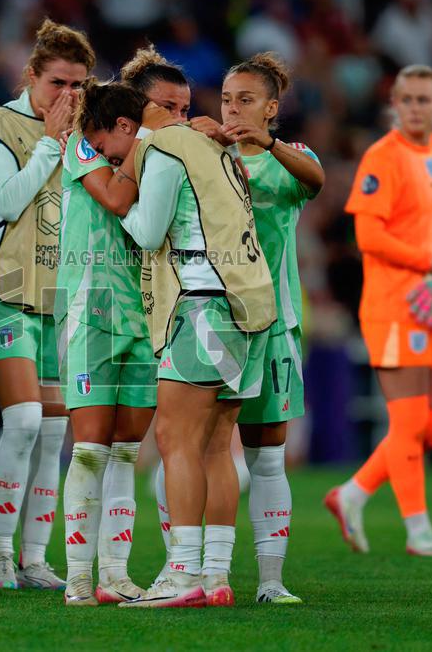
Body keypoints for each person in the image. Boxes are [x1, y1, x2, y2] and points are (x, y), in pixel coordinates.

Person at [77, 81, 276, 608]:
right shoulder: (211, 143)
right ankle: (215, 573)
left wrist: (117, 196)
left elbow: (147, 231)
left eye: (105, 147)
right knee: (216, 445)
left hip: (204, 304)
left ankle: (183, 575)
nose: (111, 161)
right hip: (250, 303)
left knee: (174, 437)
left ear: (125, 126)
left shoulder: (164, 146)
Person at [180, 52, 324, 605]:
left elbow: (316, 179)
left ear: (271, 108)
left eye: (245, 100)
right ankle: (191, 571)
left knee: (267, 455)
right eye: (226, 99)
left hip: (273, 323)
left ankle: (270, 580)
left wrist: (267, 144)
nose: (232, 109)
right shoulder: (206, 152)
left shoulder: (289, 159)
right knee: (190, 446)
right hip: (211, 320)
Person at [324, 64, 432, 557]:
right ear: (394, 104)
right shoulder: (381, 157)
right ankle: (418, 530)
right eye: (406, 99)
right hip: (396, 306)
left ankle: (352, 493)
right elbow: (368, 236)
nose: (415, 107)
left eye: (423, 99)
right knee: (409, 423)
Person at [0, 19, 94, 591]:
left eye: (78, 85)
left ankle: (36, 557)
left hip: (63, 292)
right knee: (21, 421)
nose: (68, 96)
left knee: (52, 433)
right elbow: (10, 201)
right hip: (6, 284)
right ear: (31, 76)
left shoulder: (88, 135)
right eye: (57, 83)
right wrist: (50, 140)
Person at [57, 47, 181, 606]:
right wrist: (143, 146)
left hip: (140, 317)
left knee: (126, 451)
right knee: (89, 450)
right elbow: (113, 197)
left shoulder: (149, 158)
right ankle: (78, 578)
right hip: (89, 312)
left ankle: (114, 575)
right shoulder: (83, 147)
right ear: (126, 126)